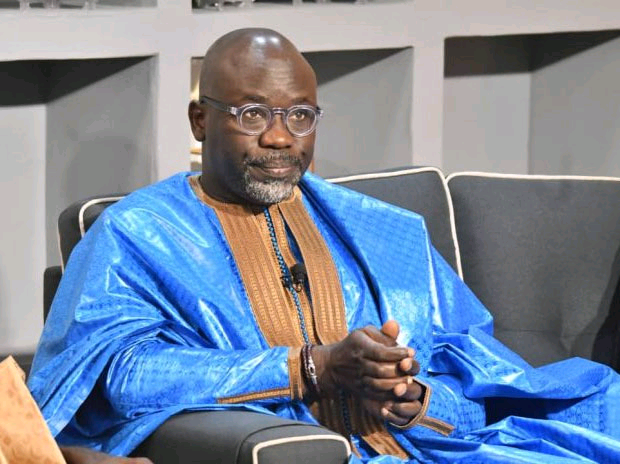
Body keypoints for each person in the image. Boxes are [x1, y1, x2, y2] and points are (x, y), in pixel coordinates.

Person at [28, 28, 620, 463]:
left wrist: (411, 397)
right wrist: (312, 367)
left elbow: (474, 370)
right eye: (253, 114)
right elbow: (125, 377)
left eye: (300, 116)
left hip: (426, 448)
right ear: (199, 121)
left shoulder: (383, 230)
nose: (280, 137)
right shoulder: (136, 233)